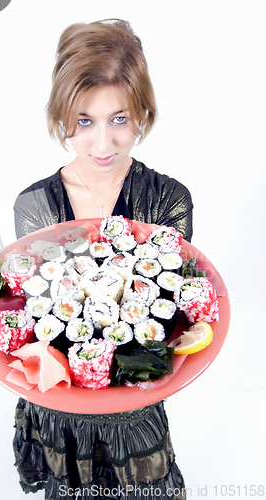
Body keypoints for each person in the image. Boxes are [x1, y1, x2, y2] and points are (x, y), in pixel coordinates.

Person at [13, 19, 193, 500]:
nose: (102, 144)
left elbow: (171, 317)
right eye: (84, 121)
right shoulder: (34, 206)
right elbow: (38, 322)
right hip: (59, 409)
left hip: (134, 406)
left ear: (142, 114)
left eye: (120, 119)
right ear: (62, 115)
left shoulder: (167, 199)